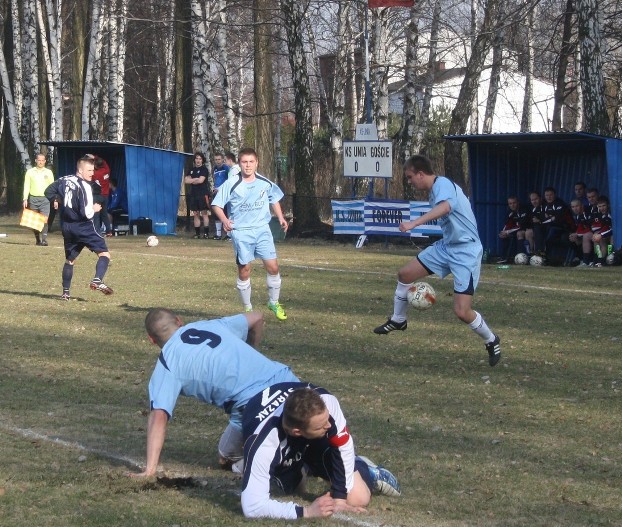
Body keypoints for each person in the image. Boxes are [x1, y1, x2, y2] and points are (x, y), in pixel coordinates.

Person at [132, 308, 300, 478]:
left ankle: (282, 459)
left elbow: (158, 416)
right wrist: (252, 351)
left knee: (227, 456)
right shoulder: (209, 325)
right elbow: (257, 317)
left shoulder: (167, 363)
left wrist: (150, 469)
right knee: (312, 427)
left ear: (151, 340)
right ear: (179, 320)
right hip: (288, 380)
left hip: (256, 404)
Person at [372, 155, 502, 366]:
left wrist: (414, 224)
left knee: (462, 311)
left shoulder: (443, 184)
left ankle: (491, 339)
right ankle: (398, 320)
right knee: (405, 274)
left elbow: (445, 208)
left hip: (465, 253)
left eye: (410, 177)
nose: (409, 181)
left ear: (421, 174)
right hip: (447, 247)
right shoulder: (434, 190)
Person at [240, 384, 400, 519]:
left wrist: (339, 499)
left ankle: (369, 471)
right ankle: (300, 467)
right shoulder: (263, 444)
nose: (329, 426)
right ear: (297, 432)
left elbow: (343, 446)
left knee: (358, 497)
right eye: (320, 425)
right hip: (284, 444)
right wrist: (307, 512)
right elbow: (252, 506)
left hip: (315, 440)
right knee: (286, 492)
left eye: (327, 419)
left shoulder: (327, 402)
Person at [211, 147, 290, 320]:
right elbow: (216, 204)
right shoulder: (232, 183)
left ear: (257, 163)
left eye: (251, 162)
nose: (248, 165)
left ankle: (273, 302)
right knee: (245, 270)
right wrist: (225, 220)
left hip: (262, 230)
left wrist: (281, 218)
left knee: (273, 267)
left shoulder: (264, 182)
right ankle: (247, 308)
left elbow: (274, 198)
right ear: (239, 164)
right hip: (241, 233)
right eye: (244, 162)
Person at [44, 155, 114, 300]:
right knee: (104, 255)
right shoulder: (85, 187)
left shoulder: (64, 179)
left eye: (93, 170)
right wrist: (94, 209)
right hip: (84, 227)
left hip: (68, 227)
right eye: (89, 170)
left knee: (70, 260)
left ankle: (65, 293)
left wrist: (55, 199)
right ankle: (97, 280)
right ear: (80, 170)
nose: (92, 173)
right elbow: (86, 213)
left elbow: (48, 191)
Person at [22, 153, 54, 246]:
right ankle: (37, 239)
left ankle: (44, 240)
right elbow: (26, 186)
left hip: (45, 199)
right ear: (36, 160)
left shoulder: (48, 172)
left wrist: (54, 199)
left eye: (42, 160)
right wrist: (25, 198)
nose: (40, 162)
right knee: (35, 221)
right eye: (39, 160)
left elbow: (53, 187)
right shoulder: (30, 172)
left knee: (45, 219)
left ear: (45, 161)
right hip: (33, 198)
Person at [496, 196, 530, 264]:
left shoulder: (524, 210)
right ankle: (504, 257)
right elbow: (507, 225)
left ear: (518, 202)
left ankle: (521, 257)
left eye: (514, 203)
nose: (512, 205)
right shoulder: (510, 213)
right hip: (516, 230)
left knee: (519, 233)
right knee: (504, 235)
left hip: (526, 229)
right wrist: (504, 232)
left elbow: (521, 225)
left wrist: (508, 232)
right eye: (510, 203)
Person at [185, 152, 211, 239]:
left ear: (202, 160)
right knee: (196, 214)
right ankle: (197, 234)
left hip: (203, 194)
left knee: (204, 213)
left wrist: (192, 179)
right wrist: (194, 179)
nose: (198, 160)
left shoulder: (204, 169)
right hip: (193, 194)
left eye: (200, 159)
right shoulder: (191, 169)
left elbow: (201, 181)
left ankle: (206, 234)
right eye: (196, 159)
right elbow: (186, 180)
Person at [589, 195, 613, 267]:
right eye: (600, 206)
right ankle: (598, 259)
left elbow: (613, 230)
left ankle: (610, 255)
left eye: (604, 206)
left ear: (608, 205)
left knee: (612, 237)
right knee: (596, 238)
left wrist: (601, 235)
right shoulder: (601, 215)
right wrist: (598, 234)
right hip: (607, 234)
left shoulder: (612, 214)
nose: (602, 208)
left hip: (614, 235)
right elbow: (604, 228)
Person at [91, 156, 112, 235]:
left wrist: (92, 157)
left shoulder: (95, 174)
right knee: (104, 214)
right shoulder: (107, 170)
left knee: (96, 214)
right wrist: (95, 157)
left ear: (96, 165)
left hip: (97, 195)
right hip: (106, 195)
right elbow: (103, 162)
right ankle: (109, 231)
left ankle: (97, 231)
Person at [211, 153, 229, 240]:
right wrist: (214, 187)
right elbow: (215, 180)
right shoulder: (214, 169)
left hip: (224, 193)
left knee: (226, 213)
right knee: (216, 213)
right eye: (216, 159)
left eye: (219, 159)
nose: (217, 161)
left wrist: (220, 188)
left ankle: (228, 234)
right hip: (216, 193)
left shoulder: (226, 168)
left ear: (222, 160)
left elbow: (229, 180)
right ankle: (218, 234)